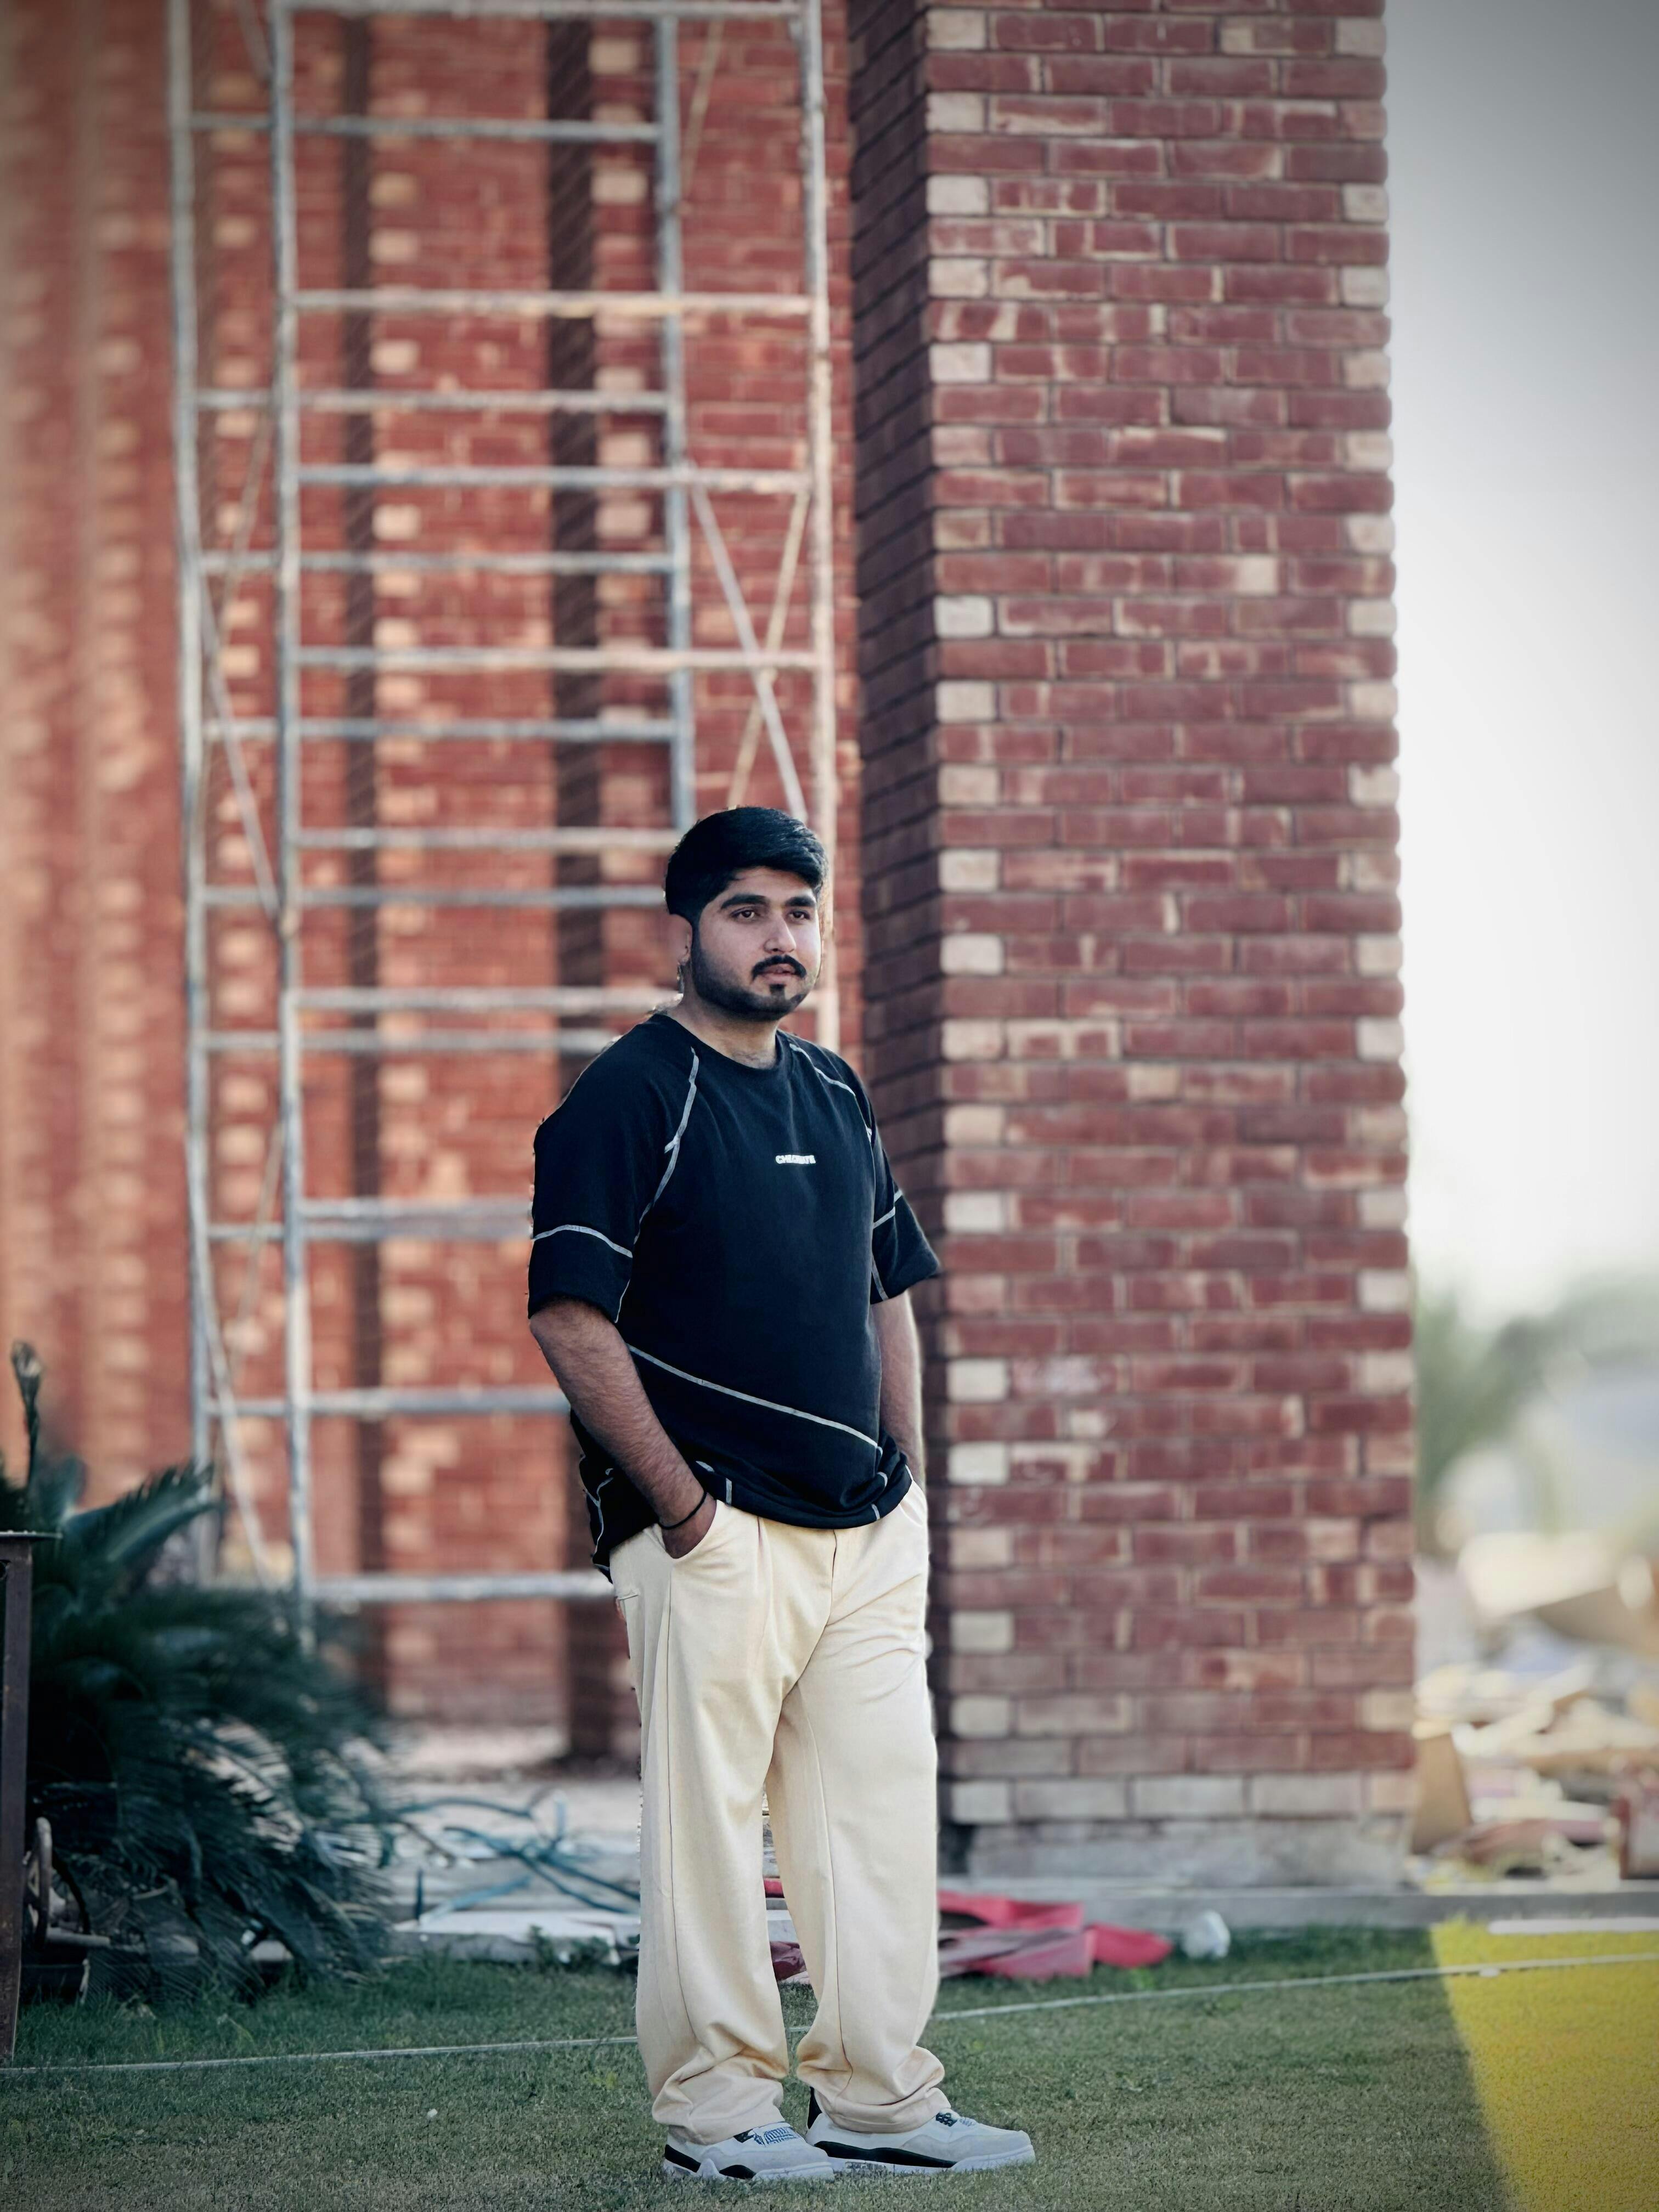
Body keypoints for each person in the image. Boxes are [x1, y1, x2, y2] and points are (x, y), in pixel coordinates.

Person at [527, 808, 1036, 2184]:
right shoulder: (631, 1094)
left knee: (875, 1819)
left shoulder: (836, 1089)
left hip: (864, 1528)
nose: (779, 937)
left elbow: (888, 1292)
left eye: (799, 912)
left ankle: (881, 2101)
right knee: (710, 1832)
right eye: (747, 911)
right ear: (687, 929)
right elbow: (570, 1315)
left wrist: (906, 1480)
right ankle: (718, 2115)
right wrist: (683, 1510)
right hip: (716, 1528)